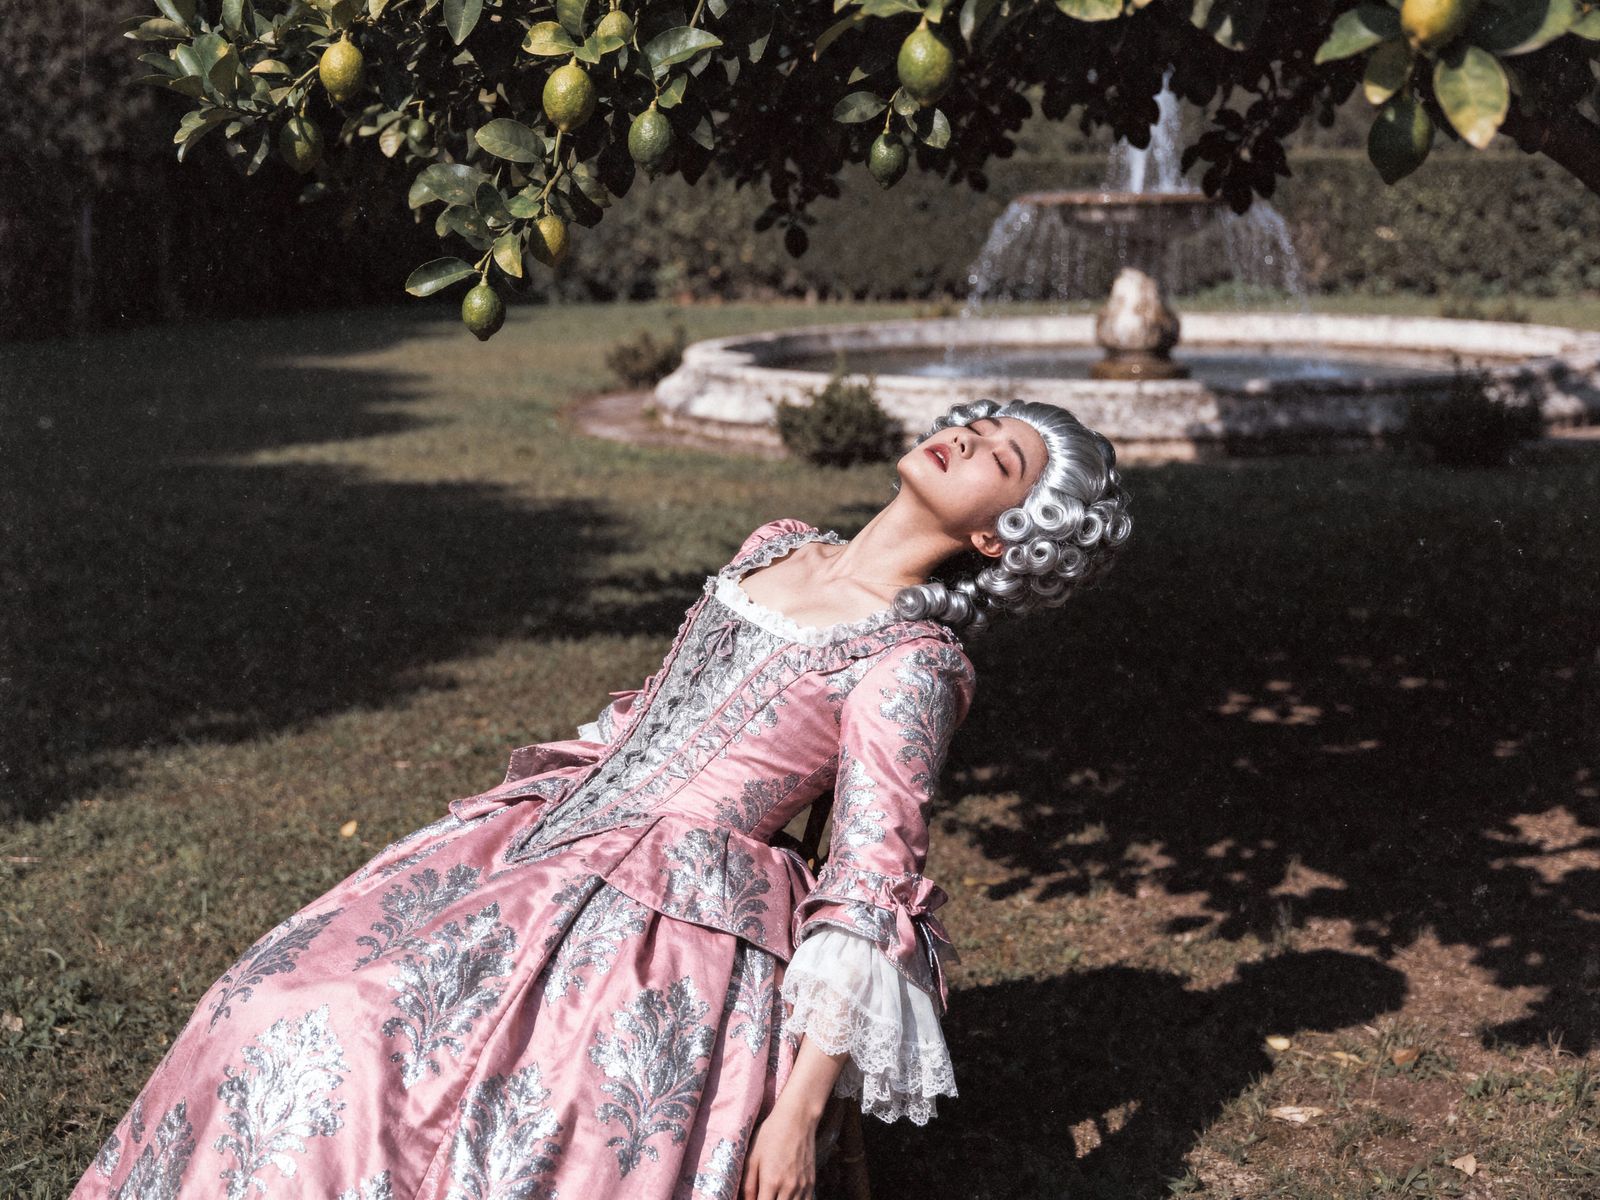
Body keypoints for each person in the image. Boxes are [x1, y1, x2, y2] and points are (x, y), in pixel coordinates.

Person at [71, 398, 1131, 1200]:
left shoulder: (912, 664)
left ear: (998, 538)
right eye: (979, 422)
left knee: (419, 1074)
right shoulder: (776, 546)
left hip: (671, 921)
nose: (968, 436)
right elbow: (647, 717)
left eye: (998, 459)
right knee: (274, 1002)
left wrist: (797, 1114)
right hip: (546, 842)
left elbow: (871, 886)